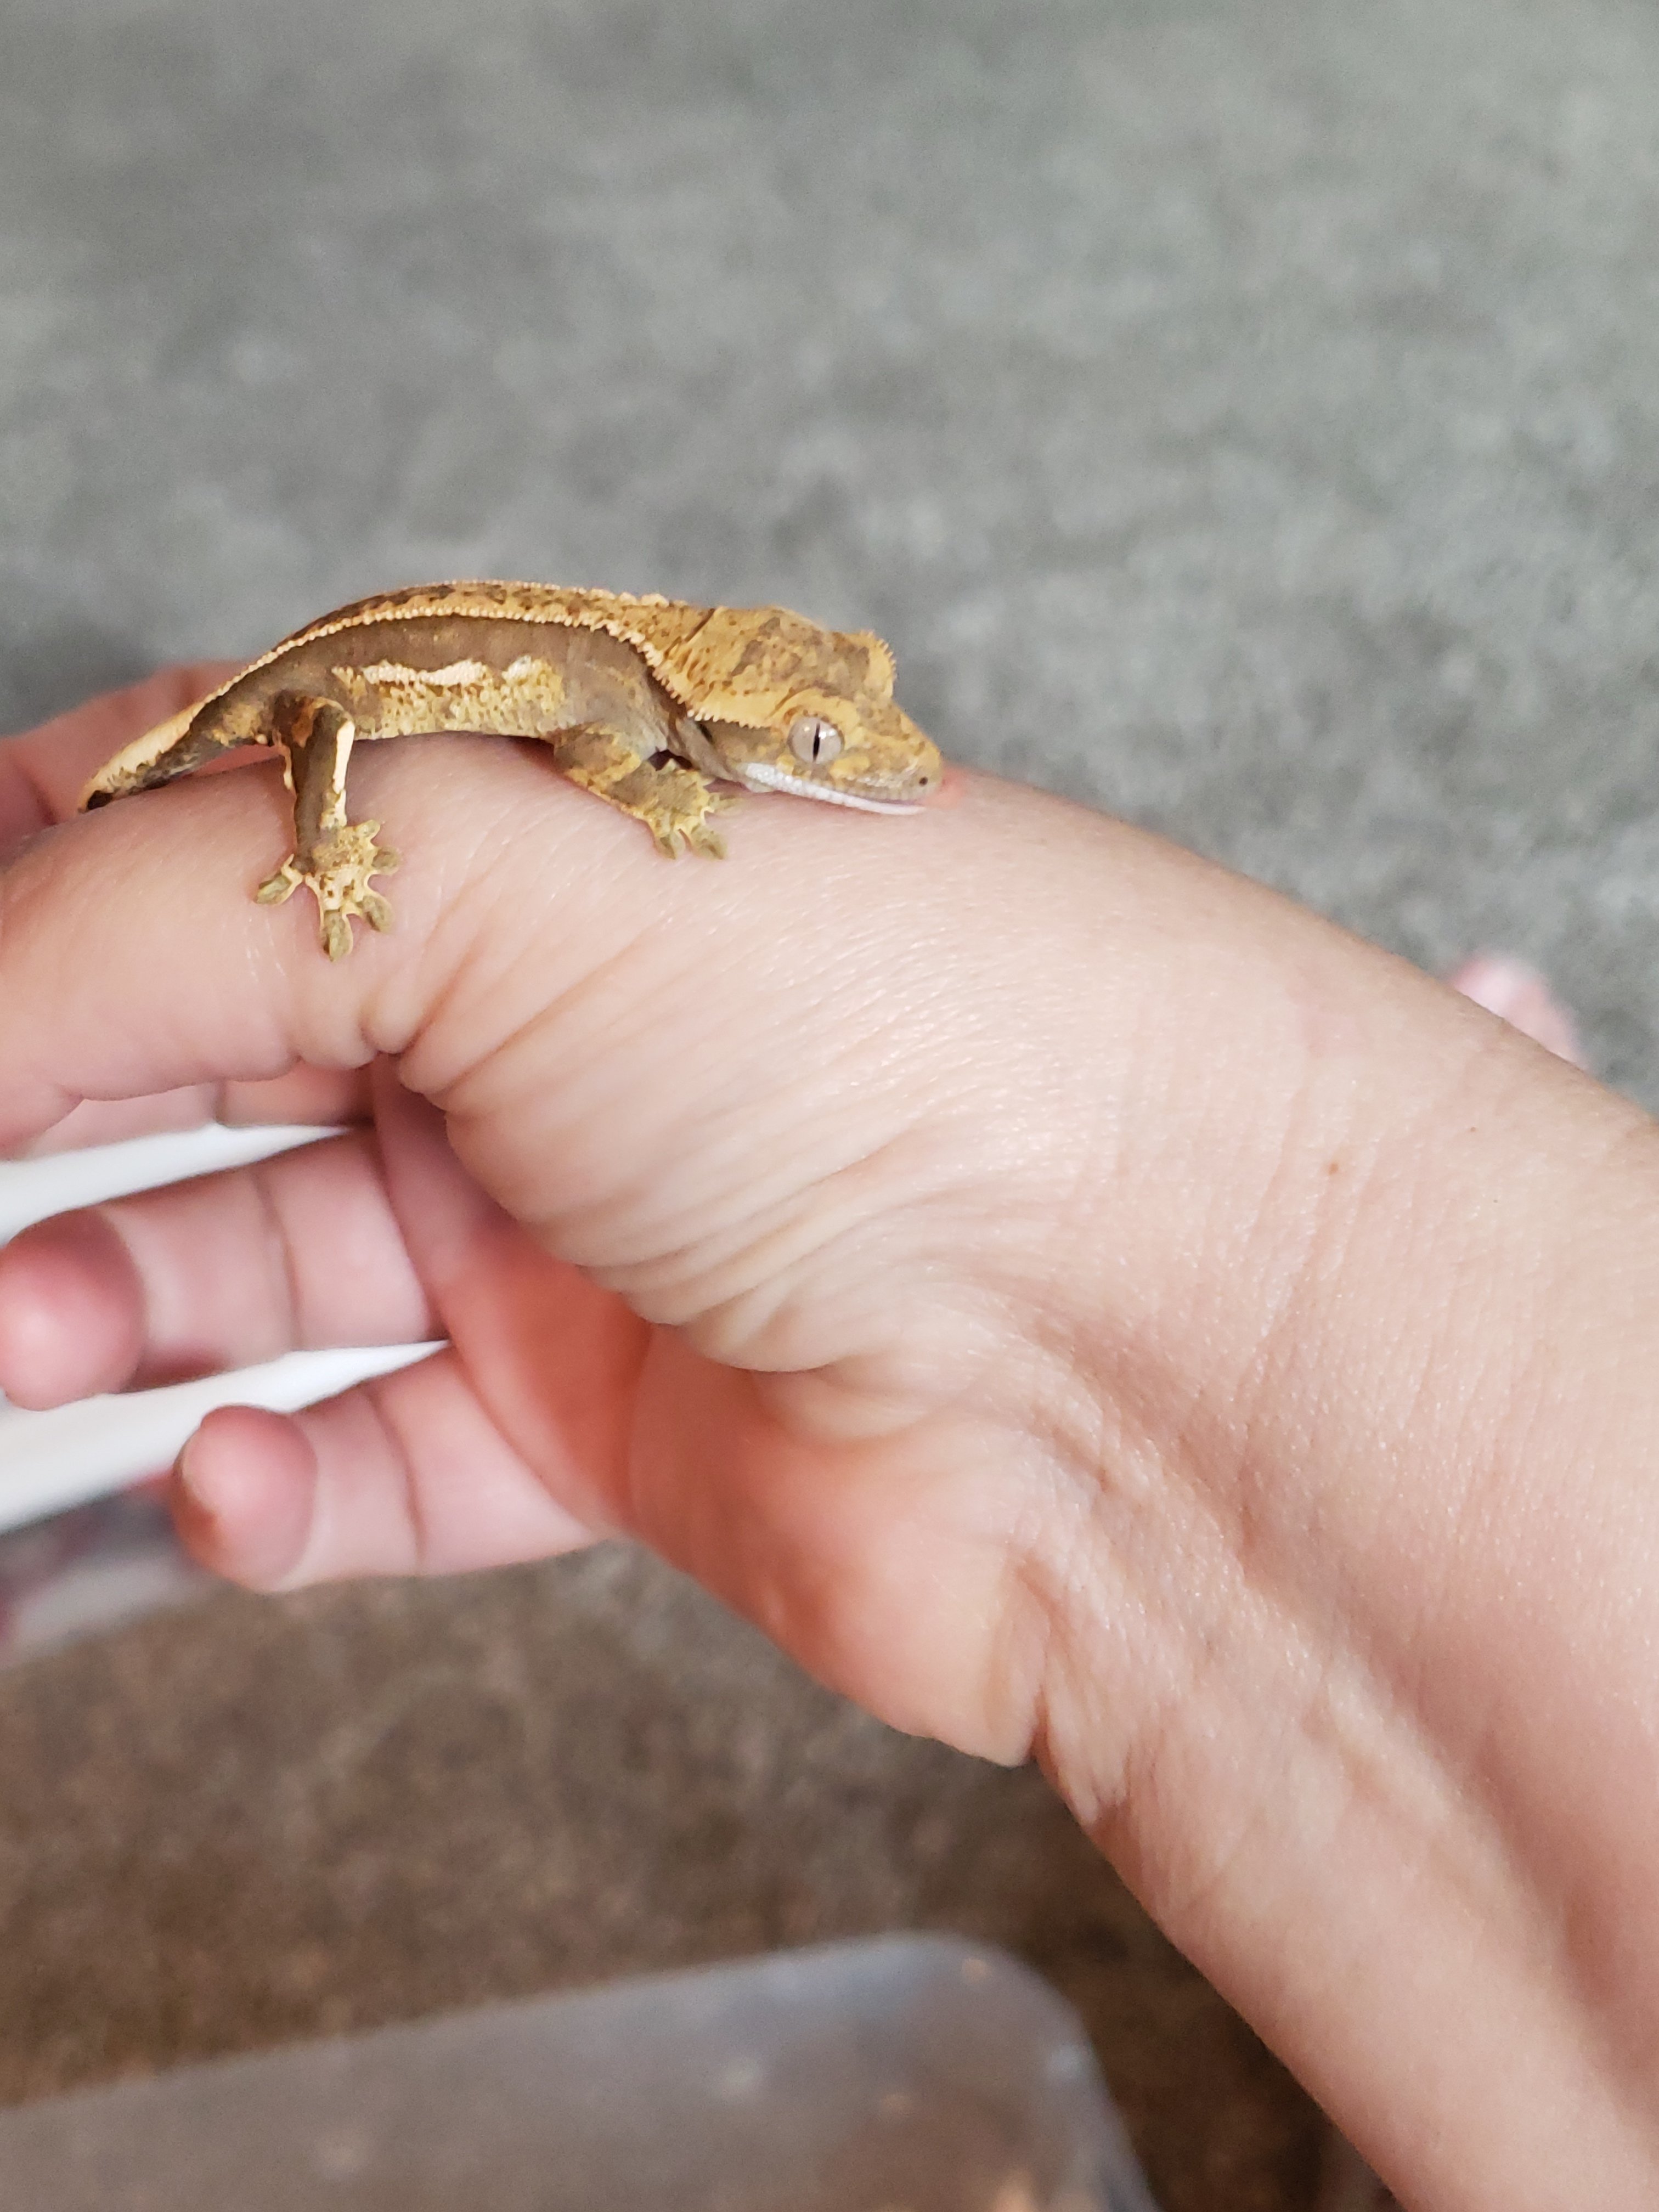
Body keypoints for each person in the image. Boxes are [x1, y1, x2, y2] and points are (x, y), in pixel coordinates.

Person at [1, 666, 1655, 2211]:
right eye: (805, 750)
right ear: (708, 727)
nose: (872, 768)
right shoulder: (601, 722)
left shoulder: (630, 731)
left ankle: (1409, 1278)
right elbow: (522, 753)